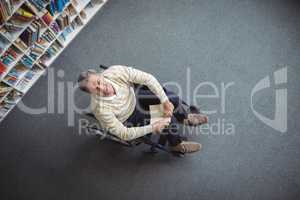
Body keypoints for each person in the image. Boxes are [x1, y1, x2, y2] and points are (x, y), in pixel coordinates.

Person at [77, 65, 208, 154]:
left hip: (135, 98)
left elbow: (148, 78)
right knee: (167, 120)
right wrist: (153, 127)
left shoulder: (114, 71)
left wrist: (165, 101)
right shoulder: (99, 109)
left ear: (101, 75)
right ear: (91, 93)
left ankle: (185, 118)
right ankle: (176, 145)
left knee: (171, 98)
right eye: (95, 89)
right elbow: (123, 133)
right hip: (129, 117)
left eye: (99, 81)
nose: (102, 88)